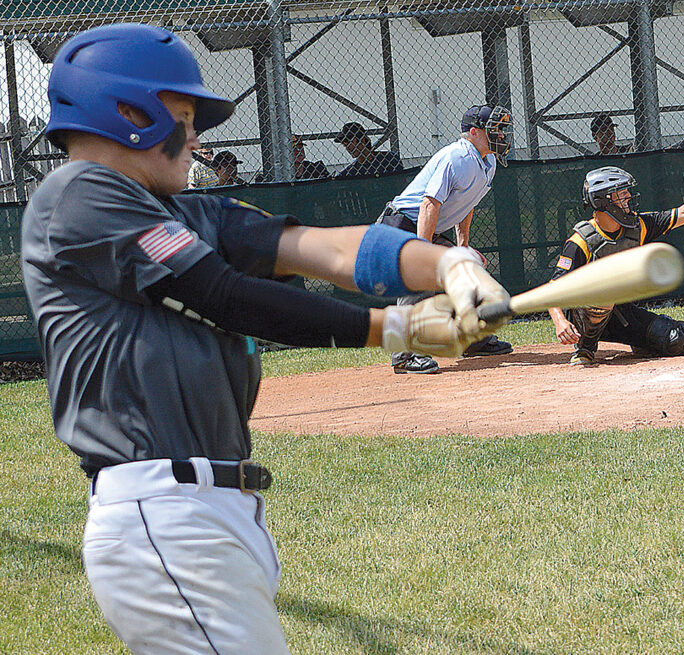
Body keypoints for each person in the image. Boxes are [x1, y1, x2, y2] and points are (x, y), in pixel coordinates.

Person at [21, 24, 509, 655]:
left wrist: (447, 265)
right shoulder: (78, 196)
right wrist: (394, 327)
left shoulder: (186, 212)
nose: (197, 138)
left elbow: (328, 247)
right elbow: (221, 294)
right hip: (163, 511)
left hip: (214, 509)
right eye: (186, 116)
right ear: (125, 111)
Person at [549, 166, 684, 365]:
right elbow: (553, 288)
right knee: (602, 293)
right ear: (604, 200)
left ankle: (641, 341)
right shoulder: (581, 241)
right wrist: (560, 321)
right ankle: (586, 348)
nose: (628, 196)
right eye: (621, 193)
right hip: (582, 316)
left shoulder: (637, 226)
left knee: (678, 339)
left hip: (620, 313)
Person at [379, 104, 516, 373]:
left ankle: (470, 339)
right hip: (403, 223)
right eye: (495, 131)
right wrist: (422, 249)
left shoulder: (488, 162)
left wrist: (463, 246)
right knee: (419, 279)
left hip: (428, 225)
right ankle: (404, 355)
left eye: (502, 131)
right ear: (474, 132)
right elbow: (429, 204)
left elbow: (467, 204)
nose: (501, 136)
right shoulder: (456, 157)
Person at [333, 121, 402, 178]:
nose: (347, 148)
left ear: (362, 140)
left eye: (349, 143)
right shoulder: (349, 173)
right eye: (344, 145)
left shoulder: (390, 159)